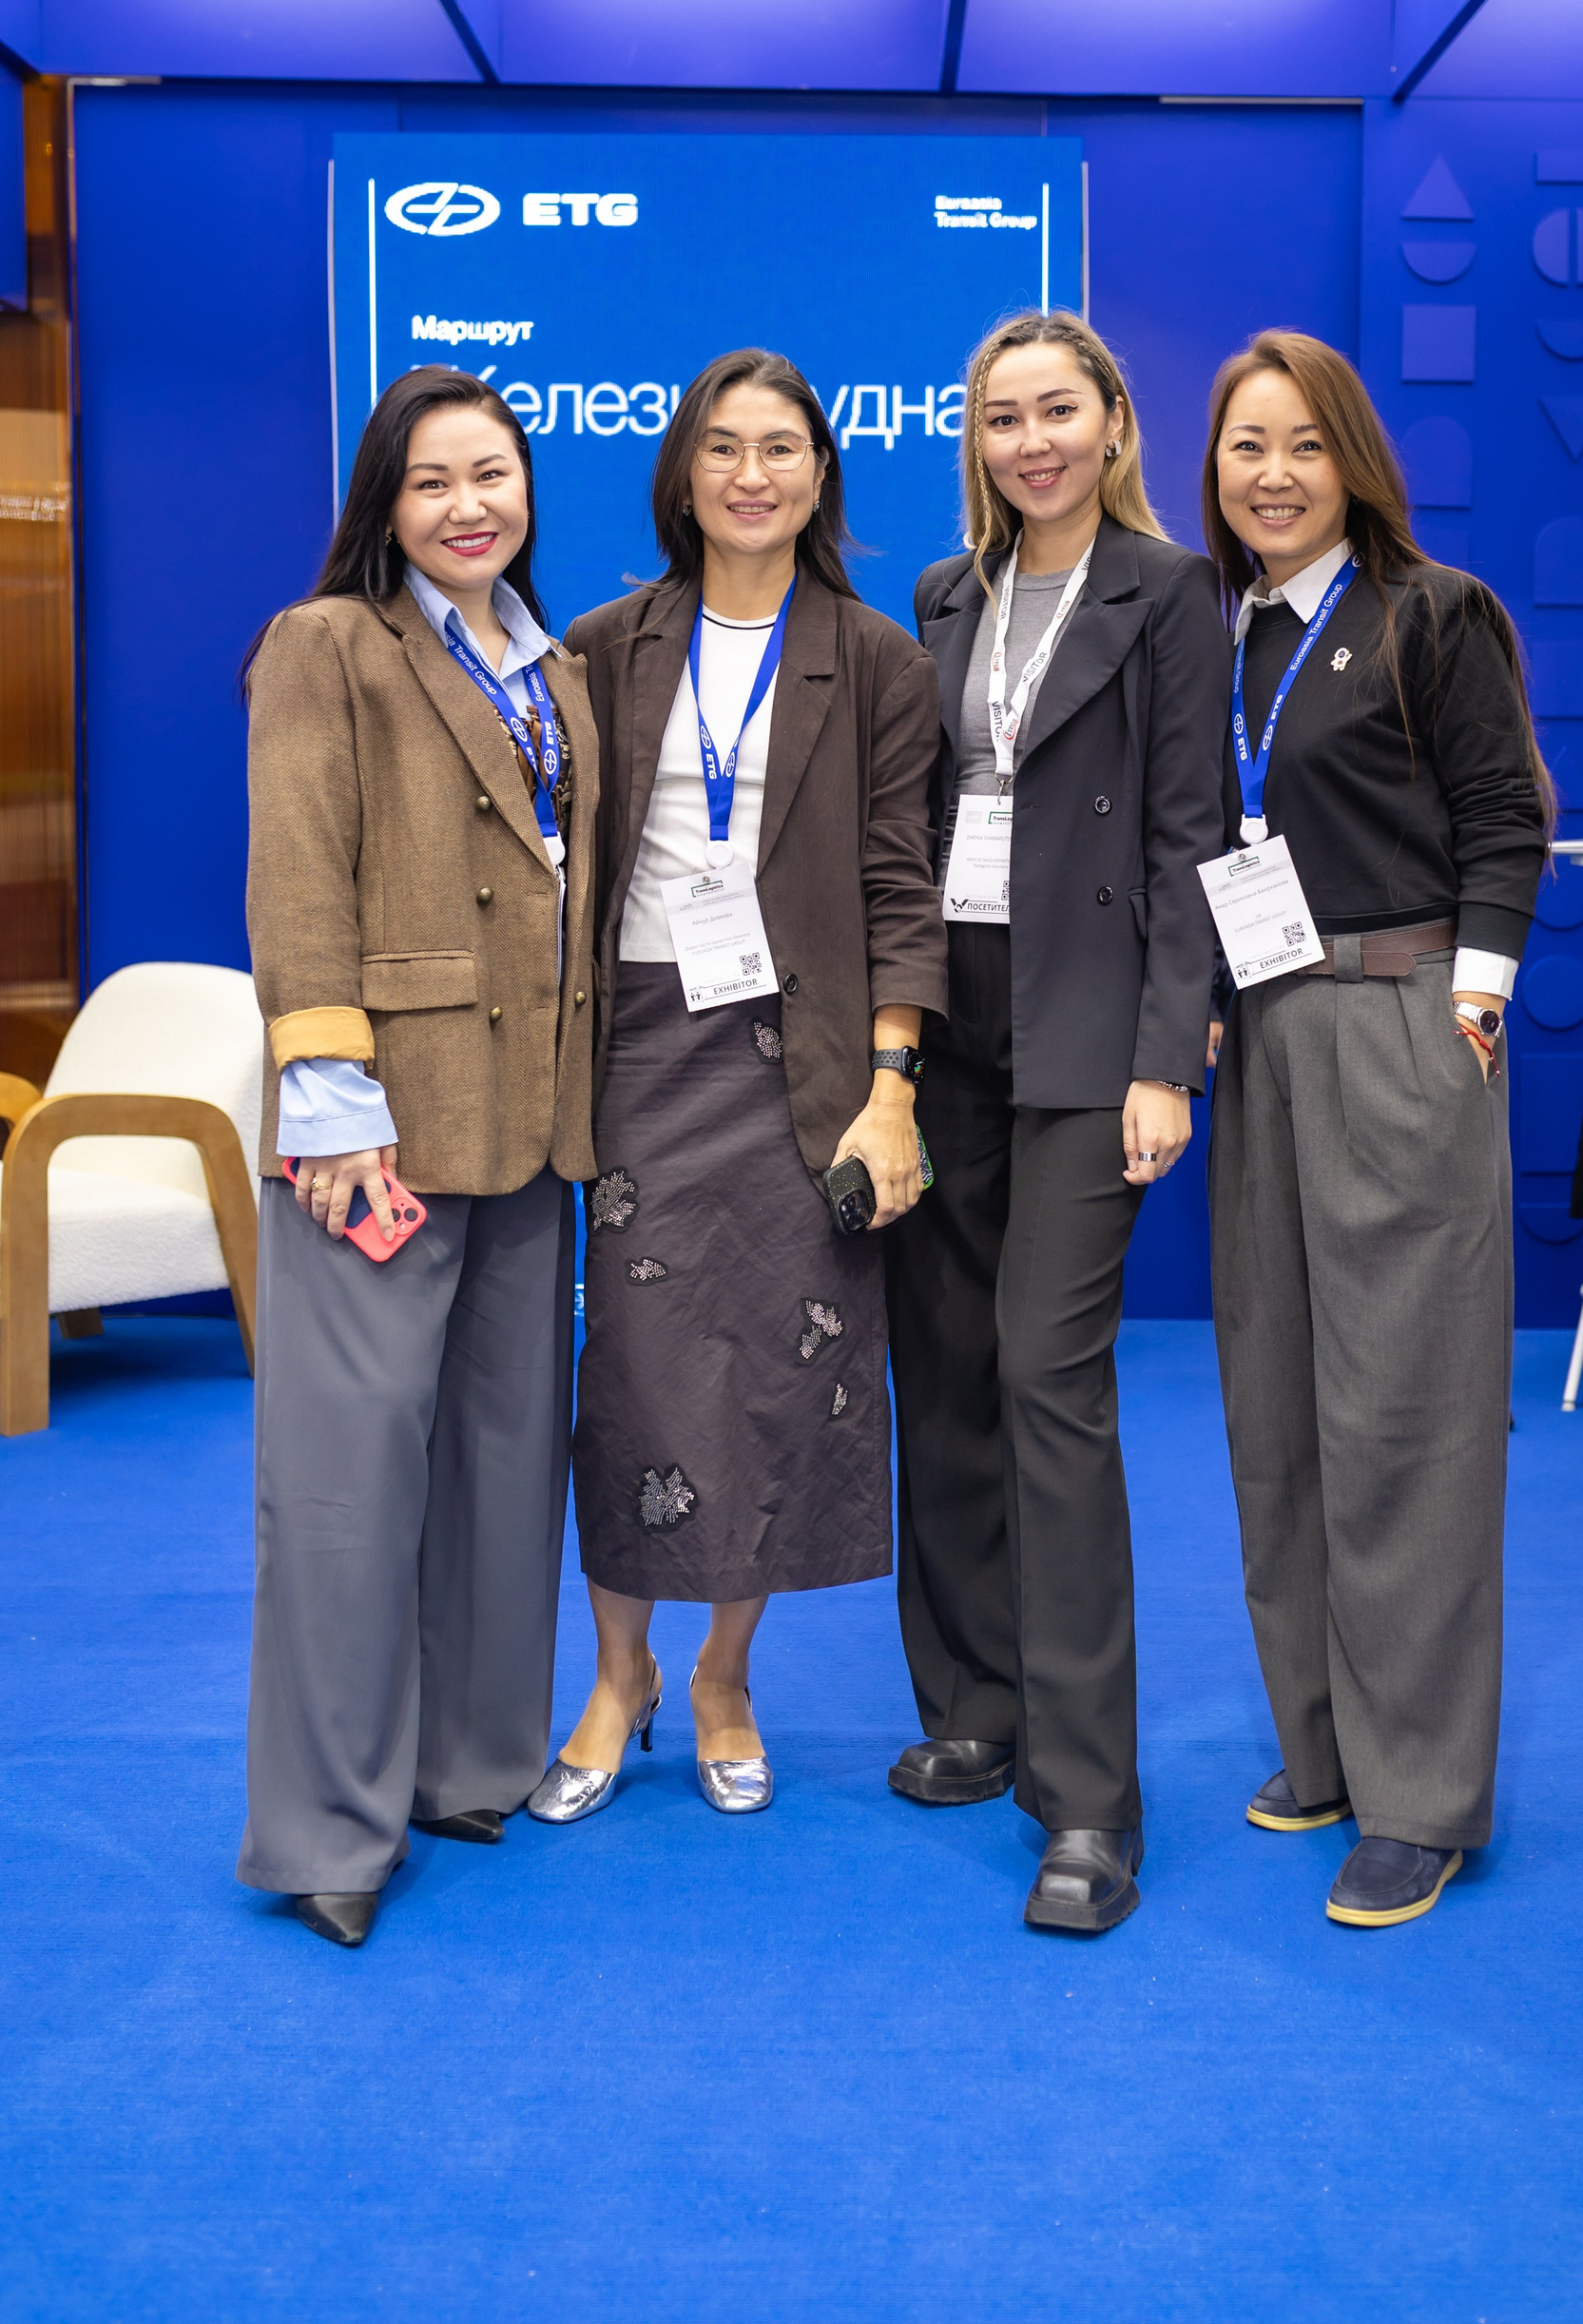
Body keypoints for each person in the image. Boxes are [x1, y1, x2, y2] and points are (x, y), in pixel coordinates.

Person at [535, 347, 945, 1824]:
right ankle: (617, 1672)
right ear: (683, 473)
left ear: (820, 474)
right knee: (637, 1373)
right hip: (644, 1047)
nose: (751, 474)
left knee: (778, 1371)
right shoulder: (602, 646)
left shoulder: (878, 659)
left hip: (804, 1058)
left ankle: (722, 1675)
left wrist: (892, 1085)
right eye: (723, 447)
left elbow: (899, 887)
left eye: (780, 447)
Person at [238, 365, 597, 1949]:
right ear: (386, 501)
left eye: (492, 475)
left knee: (507, 1469)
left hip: (531, 1122)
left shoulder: (552, 663)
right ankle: (328, 1827)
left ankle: (470, 1763)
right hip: (378, 1129)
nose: (469, 506)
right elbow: (298, 872)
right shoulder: (327, 644)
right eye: (434, 480)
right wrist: (328, 1096)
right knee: (347, 1483)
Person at [883, 309, 1228, 1936]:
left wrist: (1170, 1058)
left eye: (1057, 412)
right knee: (947, 1368)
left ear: (1113, 425)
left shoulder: (1171, 594)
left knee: (1046, 1376)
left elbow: (1189, 838)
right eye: (1002, 418)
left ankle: (1091, 1801)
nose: (1031, 442)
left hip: (1096, 1037)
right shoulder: (945, 597)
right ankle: (978, 1704)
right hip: (951, 1026)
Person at [1202, 329, 1550, 1928]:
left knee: (1405, 1418)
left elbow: (1504, 816)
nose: (1274, 475)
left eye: (1304, 445)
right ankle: (1325, 1743)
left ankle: (1420, 1797)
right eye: (1246, 447)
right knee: (1276, 1406)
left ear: (1355, 462)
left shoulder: (1432, 613)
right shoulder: (1216, 635)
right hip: (1266, 1030)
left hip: (1404, 1020)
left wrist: (1472, 1008)